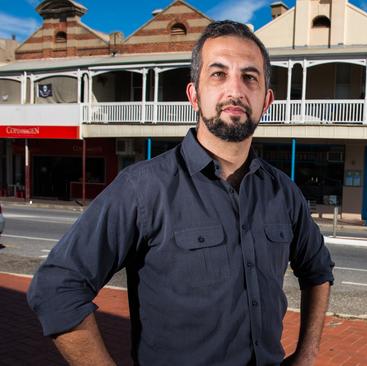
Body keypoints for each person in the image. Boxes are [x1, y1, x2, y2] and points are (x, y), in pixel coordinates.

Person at [27, 20, 334, 366]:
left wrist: (307, 355)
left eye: (250, 77)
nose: (235, 90)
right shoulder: (143, 189)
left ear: (266, 100)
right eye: (218, 74)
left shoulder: (284, 192)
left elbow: (318, 270)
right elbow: (57, 288)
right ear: (193, 94)